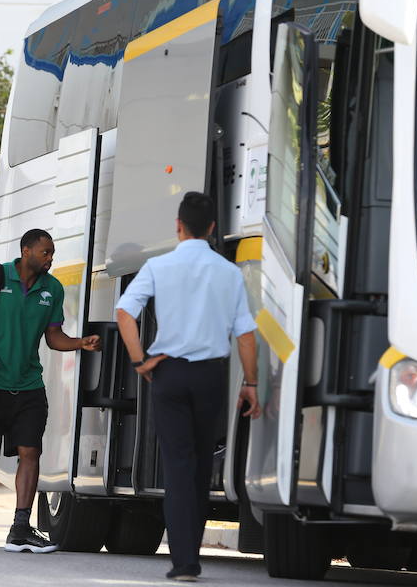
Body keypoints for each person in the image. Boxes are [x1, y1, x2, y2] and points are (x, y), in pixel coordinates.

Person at [115, 192, 261, 582]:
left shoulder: (158, 266)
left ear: (178, 226)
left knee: (178, 467)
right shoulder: (229, 273)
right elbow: (245, 334)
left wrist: (139, 359)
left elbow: (124, 312)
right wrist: (250, 383)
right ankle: (189, 557)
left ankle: (185, 563)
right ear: (213, 229)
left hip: (169, 374)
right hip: (210, 376)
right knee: (198, 467)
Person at [0, 228, 101, 553]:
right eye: (45, 252)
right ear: (26, 251)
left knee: (30, 452)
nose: (50, 258)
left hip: (28, 386)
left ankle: (20, 527)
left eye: (52, 253)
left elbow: (53, 337)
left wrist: (80, 343)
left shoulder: (51, 289)